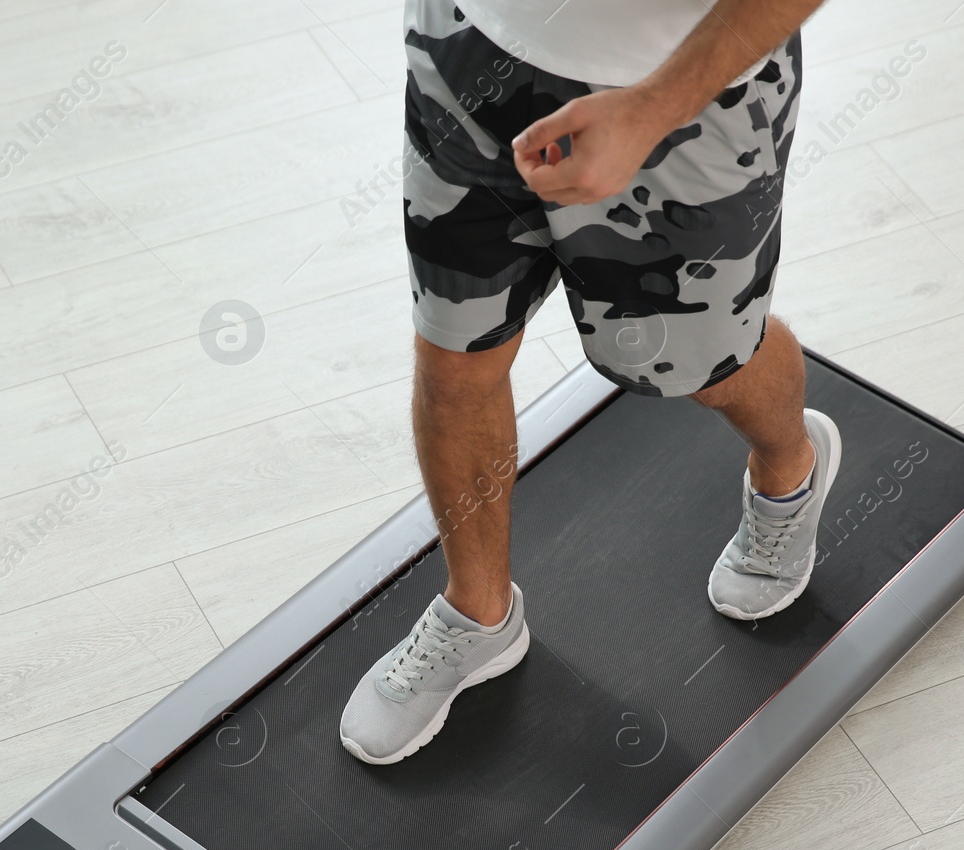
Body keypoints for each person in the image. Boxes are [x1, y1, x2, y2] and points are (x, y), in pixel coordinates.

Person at [339, 0, 840, 764]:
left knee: (703, 367)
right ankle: (479, 615)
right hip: (467, 45)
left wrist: (650, 110)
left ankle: (790, 470)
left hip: (682, 95)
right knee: (453, 355)